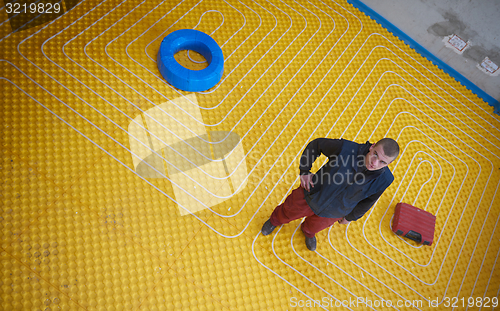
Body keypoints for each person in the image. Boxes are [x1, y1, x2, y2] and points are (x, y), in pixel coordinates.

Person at [261, 137, 399, 251]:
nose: (374, 163)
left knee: (315, 226)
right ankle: (275, 220)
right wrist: (304, 171)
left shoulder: (385, 180)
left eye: (382, 162)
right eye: (375, 154)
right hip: (312, 193)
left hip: (335, 211)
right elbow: (316, 145)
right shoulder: (346, 149)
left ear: (389, 163)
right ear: (372, 146)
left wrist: (351, 217)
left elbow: (369, 200)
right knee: (288, 211)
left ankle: (308, 232)